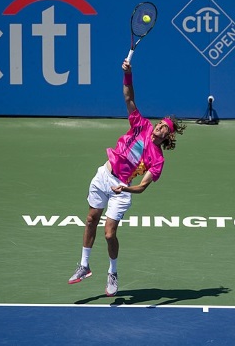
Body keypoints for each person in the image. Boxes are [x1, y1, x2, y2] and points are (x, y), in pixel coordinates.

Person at [68, 59, 186, 296]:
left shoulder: (158, 159)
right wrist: (128, 75)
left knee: (109, 233)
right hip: (104, 174)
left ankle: (112, 272)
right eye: (160, 123)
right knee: (91, 219)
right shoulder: (141, 124)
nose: (159, 127)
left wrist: (125, 190)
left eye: (164, 128)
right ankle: (84, 265)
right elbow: (129, 98)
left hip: (122, 187)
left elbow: (142, 187)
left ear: (168, 137)